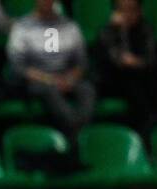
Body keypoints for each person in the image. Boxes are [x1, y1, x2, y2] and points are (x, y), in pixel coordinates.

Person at [7, 0, 96, 137]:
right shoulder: (22, 27)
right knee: (49, 91)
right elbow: (19, 66)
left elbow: (82, 62)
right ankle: (76, 132)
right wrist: (50, 80)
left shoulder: (69, 26)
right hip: (38, 80)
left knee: (87, 89)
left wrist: (70, 78)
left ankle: (81, 133)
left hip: (66, 77)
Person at [94, 0, 157, 131]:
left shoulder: (146, 29)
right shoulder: (107, 31)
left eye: (132, 10)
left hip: (141, 78)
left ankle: (156, 127)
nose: (128, 14)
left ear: (140, 11)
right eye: (122, 10)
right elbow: (112, 61)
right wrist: (119, 31)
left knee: (148, 80)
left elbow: (151, 59)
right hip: (113, 80)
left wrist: (136, 62)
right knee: (135, 83)